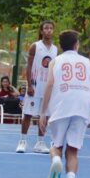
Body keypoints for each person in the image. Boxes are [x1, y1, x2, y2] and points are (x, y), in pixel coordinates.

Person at [39, 30, 90, 178]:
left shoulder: (55, 61)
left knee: (57, 146)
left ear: (60, 45)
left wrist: (43, 112)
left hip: (61, 105)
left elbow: (49, 85)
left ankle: (56, 159)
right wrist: (88, 108)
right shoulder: (87, 62)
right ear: (76, 44)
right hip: (81, 105)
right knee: (73, 150)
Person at [17, 20, 57, 154]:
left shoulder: (55, 49)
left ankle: (40, 142)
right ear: (41, 31)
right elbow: (28, 66)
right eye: (46, 28)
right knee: (28, 113)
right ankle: (22, 141)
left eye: (51, 28)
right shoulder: (35, 46)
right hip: (35, 84)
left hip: (47, 87)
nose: (49, 30)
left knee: (44, 115)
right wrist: (29, 84)